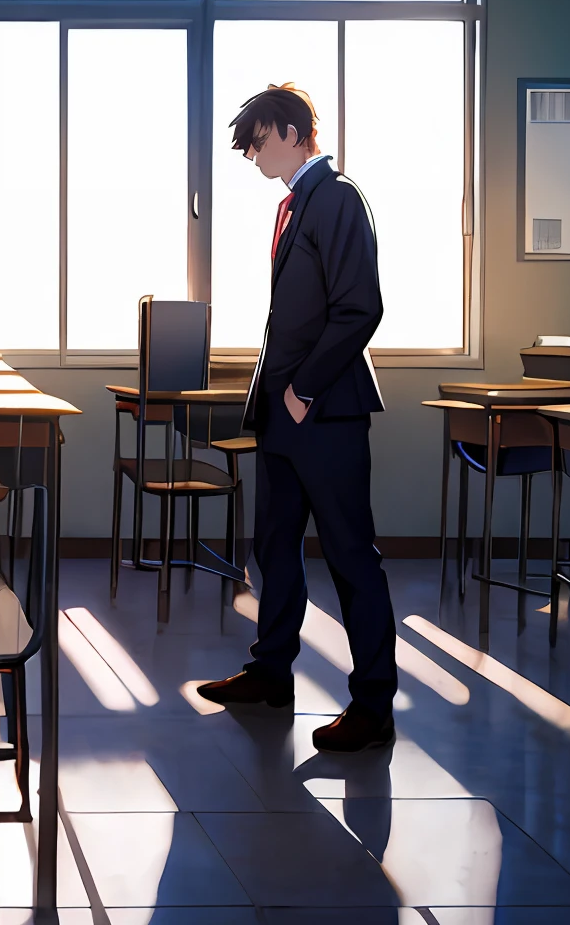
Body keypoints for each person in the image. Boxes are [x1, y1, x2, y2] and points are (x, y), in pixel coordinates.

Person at [197, 83, 397, 753]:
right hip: (285, 415)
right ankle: (270, 672)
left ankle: (372, 707)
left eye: (256, 142)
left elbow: (359, 309)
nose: (252, 157)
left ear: (288, 131)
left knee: (350, 558)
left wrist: (304, 391)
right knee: (273, 546)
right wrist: (276, 401)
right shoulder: (297, 204)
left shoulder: (337, 198)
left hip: (325, 412)